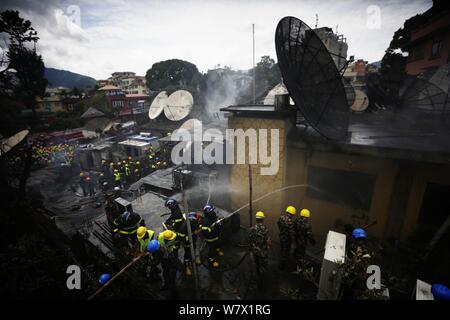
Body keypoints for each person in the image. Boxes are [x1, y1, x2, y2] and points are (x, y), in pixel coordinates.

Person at [248, 211, 271, 289]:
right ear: (262, 219)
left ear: (256, 219)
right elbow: (268, 242)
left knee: (256, 265)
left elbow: (249, 239)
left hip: (255, 251)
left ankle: (256, 276)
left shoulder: (252, 229)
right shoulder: (265, 229)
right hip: (262, 252)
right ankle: (260, 283)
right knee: (263, 267)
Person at [176, 212, 201, 276]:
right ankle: (186, 266)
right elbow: (180, 236)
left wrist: (198, 230)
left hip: (193, 240)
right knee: (187, 253)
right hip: (187, 242)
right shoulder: (184, 226)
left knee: (194, 248)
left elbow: (198, 227)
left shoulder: (195, 222)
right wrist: (190, 236)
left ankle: (195, 258)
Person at [198, 204, 223, 268]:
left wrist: (219, 220)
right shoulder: (205, 221)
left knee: (218, 243)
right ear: (208, 212)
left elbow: (215, 221)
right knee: (211, 249)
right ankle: (211, 260)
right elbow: (205, 231)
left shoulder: (212, 216)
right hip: (211, 238)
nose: (213, 211)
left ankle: (217, 250)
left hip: (217, 235)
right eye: (212, 211)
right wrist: (212, 227)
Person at [277, 205, 296, 270]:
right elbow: (292, 233)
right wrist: (293, 242)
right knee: (285, 252)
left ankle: (280, 261)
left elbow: (278, 224)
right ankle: (281, 267)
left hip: (281, 237)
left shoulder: (281, 218)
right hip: (287, 240)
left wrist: (282, 231)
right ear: (292, 214)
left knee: (281, 249)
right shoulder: (290, 222)